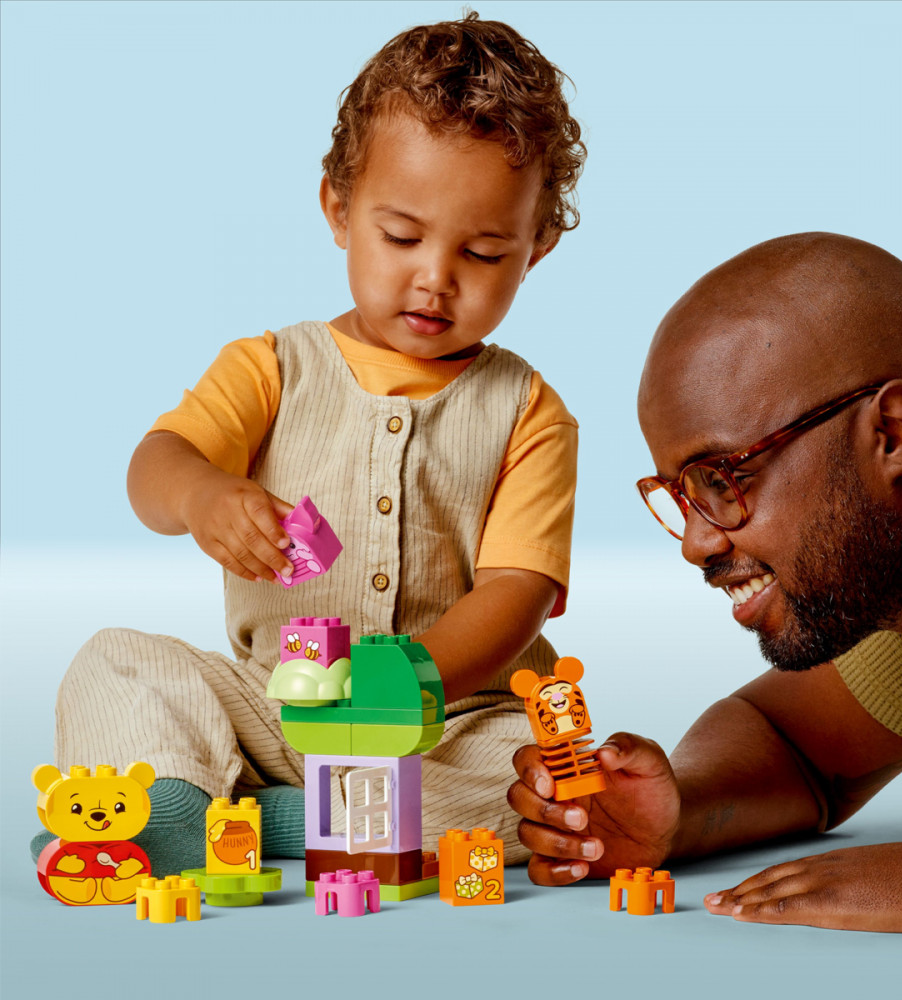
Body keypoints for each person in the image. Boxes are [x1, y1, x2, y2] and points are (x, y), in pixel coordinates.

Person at [38, 13, 584, 875]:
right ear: (339, 209)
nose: (435, 277)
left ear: (536, 249)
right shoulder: (271, 367)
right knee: (115, 662)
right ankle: (177, 801)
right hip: (275, 708)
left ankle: (267, 821)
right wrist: (201, 495)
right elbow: (154, 469)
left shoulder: (529, 412)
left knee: (544, 789)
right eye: (401, 237)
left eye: (483, 253)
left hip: (448, 723)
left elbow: (518, 592)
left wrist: (408, 685)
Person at [509, 232, 902, 935]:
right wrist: (676, 809)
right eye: (681, 497)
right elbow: (793, 743)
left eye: (723, 478)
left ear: (891, 434)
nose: (697, 544)